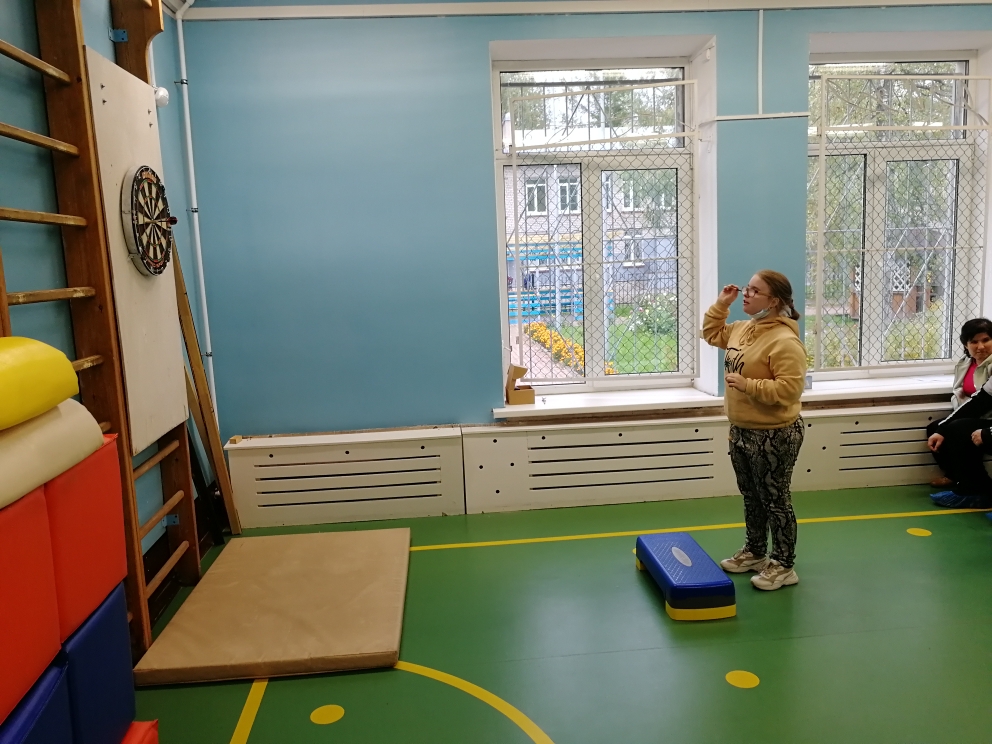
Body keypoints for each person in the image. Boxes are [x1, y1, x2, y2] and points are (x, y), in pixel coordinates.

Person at [702, 270, 808, 591]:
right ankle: (756, 551)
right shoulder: (742, 329)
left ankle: (784, 565)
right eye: (746, 288)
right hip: (742, 429)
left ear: (773, 301)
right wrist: (723, 303)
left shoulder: (785, 341)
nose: (746, 294)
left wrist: (749, 385)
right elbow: (711, 333)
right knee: (751, 496)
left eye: (754, 291)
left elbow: (789, 390)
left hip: (774, 434)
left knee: (775, 499)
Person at [927, 318, 992, 508]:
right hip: (977, 414)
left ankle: (976, 490)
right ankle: (961, 480)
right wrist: (942, 428)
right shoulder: (965, 363)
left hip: (987, 418)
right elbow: (978, 400)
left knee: (957, 428)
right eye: (974, 341)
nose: (980, 346)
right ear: (966, 344)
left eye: (986, 340)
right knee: (937, 428)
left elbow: (981, 402)